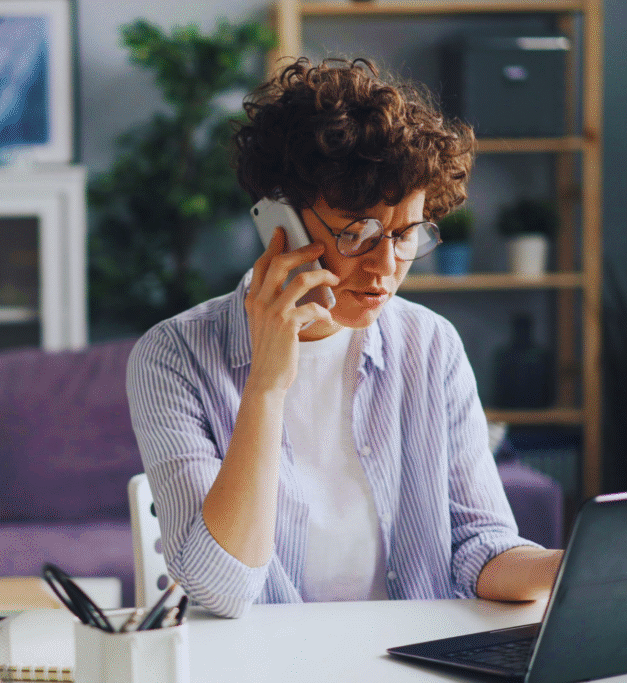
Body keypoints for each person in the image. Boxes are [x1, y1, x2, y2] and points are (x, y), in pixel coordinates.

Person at [125, 57, 564, 619]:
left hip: (409, 662)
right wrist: (266, 385)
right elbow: (222, 589)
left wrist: (572, 566)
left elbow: (478, 547)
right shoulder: (175, 357)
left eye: (406, 234)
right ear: (278, 220)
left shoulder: (430, 345)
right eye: (359, 232)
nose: (387, 266)